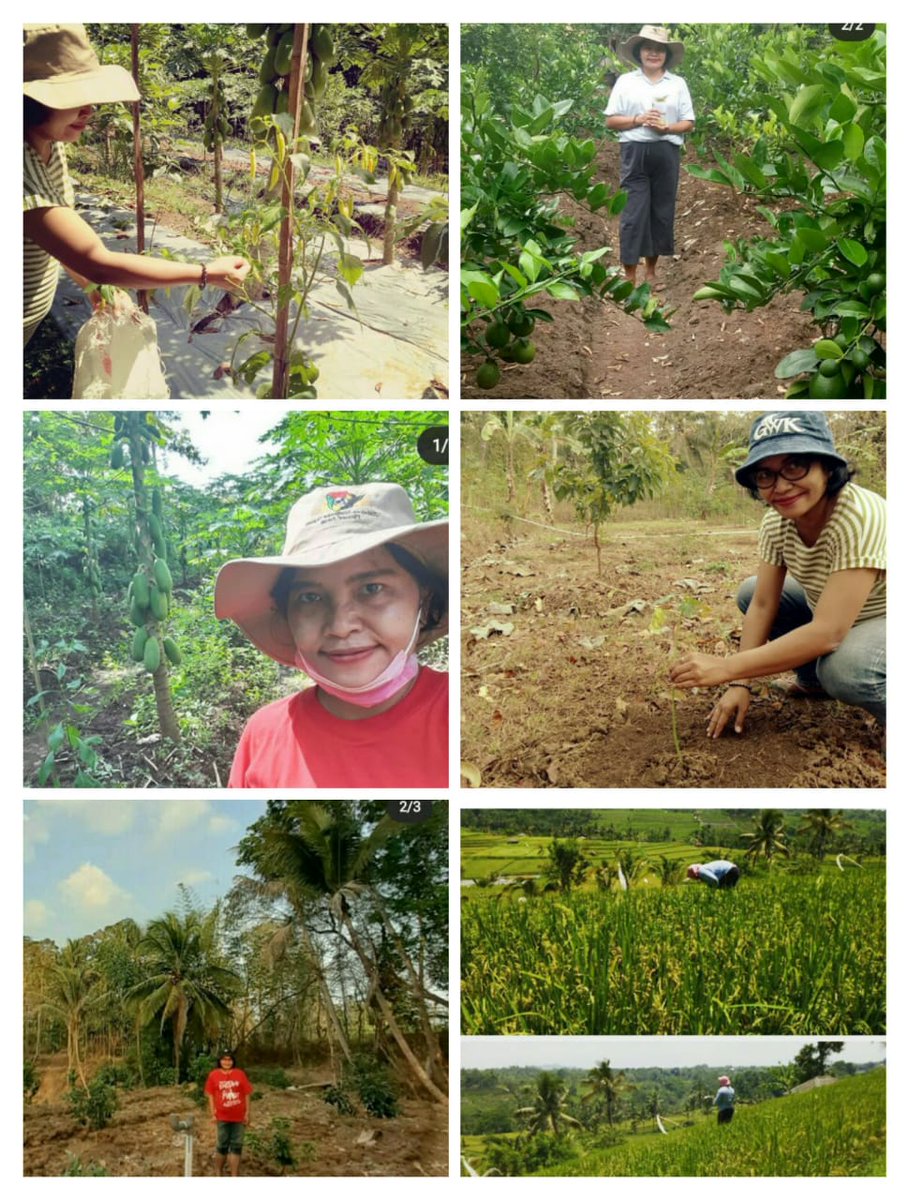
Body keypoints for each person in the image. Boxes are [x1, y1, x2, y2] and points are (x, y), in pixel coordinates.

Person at [24, 24, 250, 346]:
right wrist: (206, 273)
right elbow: (96, 261)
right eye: (71, 97)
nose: (89, 109)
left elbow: (61, 244)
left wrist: (92, 287)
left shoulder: (49, 142)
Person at [215, 482, 448, 787]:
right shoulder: (263, 734)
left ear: (425, 599)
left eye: (372, 589)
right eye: (310, 597)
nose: (340, 626)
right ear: (287, 613)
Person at [670, 412, 885, 738]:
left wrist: (727, 666)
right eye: (766, 475)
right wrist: (740, 683)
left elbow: (829, 632)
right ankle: (812, 684)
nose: (781, 486)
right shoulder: (777, 522)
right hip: (838, 613)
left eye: (795, 466)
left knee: (844, 669)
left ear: (826, 467)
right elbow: (762, 603)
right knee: (750, 590)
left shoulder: (859, 516)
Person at [605, 25, 695, 288]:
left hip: (666, 154)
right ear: (639, 52)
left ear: (666, 55)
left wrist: (666, 127)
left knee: (661, 211)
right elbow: (611, 121)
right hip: (635, 153)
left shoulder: (677, 84)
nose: (653, 53)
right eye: (648, 48)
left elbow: (689, 123)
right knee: (633, 213)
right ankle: (629, 275)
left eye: (659, 49)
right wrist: (638, 119)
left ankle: (652, 272)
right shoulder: (626, 82)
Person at [204, 1050, 253, 1177]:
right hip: (222, 1117)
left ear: (233, 1061)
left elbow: (247, 1094)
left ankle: (234, 1175)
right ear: (219, 1061)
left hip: (239, 1118)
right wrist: (212, 1113)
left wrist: (247, 1113)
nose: (227, 1062)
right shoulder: (214, 1075)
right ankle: (218, 1172)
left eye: (229, 1059)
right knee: (222, 1146)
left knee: (237, 1146)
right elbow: (210, 1095)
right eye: (224, 1059)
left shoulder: (240, 1074)